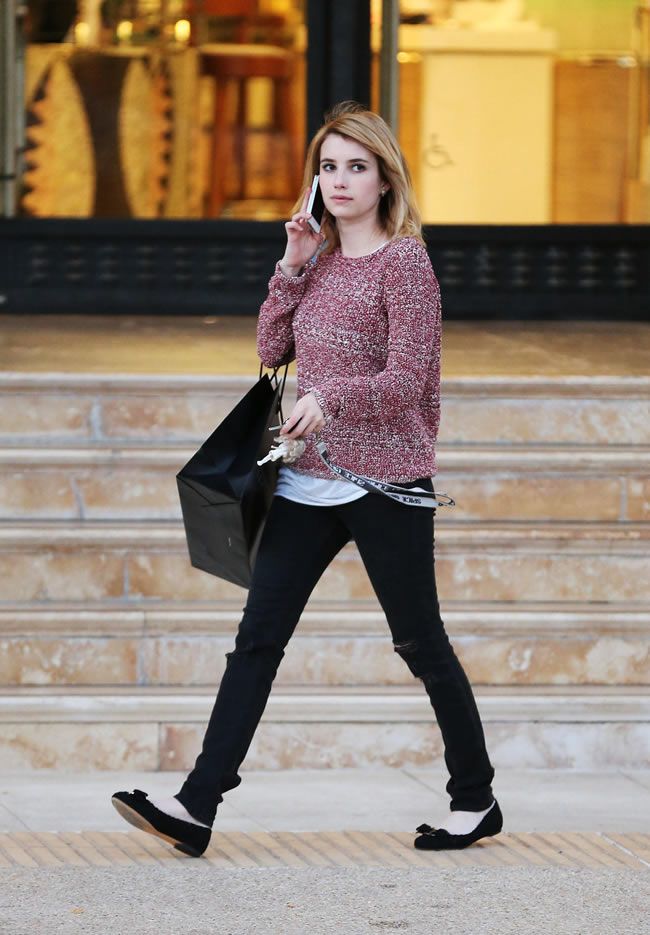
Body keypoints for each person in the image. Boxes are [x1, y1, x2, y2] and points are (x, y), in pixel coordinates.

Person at [111, 101, 502, 858]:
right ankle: (197, 804)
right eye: (329, 167)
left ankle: (475, 796)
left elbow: (408, 381)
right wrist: (290, 266)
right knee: (256, 639)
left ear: (386, 180)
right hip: (306, 479)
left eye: (358, 166)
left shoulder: (405, 264)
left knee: (419, 642)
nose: (341, 180)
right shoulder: (317, 259)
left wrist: (331, 400)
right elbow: (270, 350)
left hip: (386, 481)